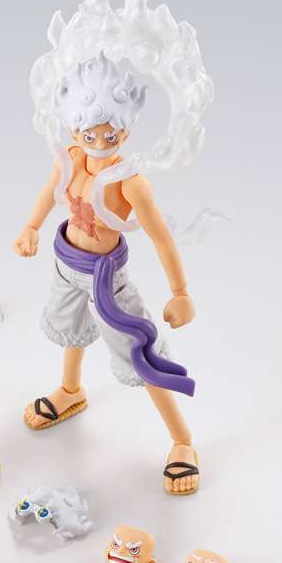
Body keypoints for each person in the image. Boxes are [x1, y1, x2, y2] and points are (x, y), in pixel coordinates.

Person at [13, 52, 200, 495]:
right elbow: (49, 192)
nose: (99, 140)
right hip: (66, 263)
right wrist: (31, 226)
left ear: (126, 130)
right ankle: (71, 390)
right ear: (73, 129)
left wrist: (180, 292)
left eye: (110, 132)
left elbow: (161, 238)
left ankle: (182, 441)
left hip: (106, 278)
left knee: (140, 354)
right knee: (71, 329)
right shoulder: (70, 158)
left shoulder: (130, 181)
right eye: (89, 132)